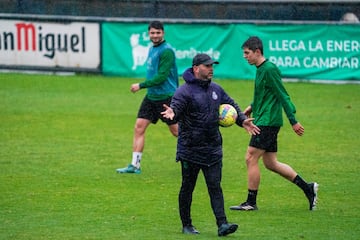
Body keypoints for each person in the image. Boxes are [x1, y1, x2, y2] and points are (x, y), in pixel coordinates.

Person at [161, 53, 260, 236]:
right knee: (187, 187)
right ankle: (187, 225)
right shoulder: (184, 91)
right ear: (196, 68)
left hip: (213, 149)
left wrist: (243, 120)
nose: (211, 69)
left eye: (212, 65)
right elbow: (175, 109)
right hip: (190, 150)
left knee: (215, 186)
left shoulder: (216, 89)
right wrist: (171, 114)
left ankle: (222, 225)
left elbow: (232, 106)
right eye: (207, 66)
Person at [230, 36, 318, 211]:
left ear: (257, 52)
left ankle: (251, 202)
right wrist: (251, 107)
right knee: (271, 163)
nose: (244, 56)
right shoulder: (260, 68)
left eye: (247, 53)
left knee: (250, 157)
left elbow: (282, 95)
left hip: (268, 121)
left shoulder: (269, 69)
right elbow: (264, 93)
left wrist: (293, 121)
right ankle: (308, 188)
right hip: (264, 118)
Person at [116, 21, 179, 174]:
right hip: (151, 97)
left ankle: (199, 155)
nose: (155, 35)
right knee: (139, 127)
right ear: (148, 34)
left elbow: (162, 77)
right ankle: (135, 165)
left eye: (158, 33)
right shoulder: (152, 48)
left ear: (163, 33)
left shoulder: (167, 51)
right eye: (152, 33)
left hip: (166, 98)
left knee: (177, 132)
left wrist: (141, 85)